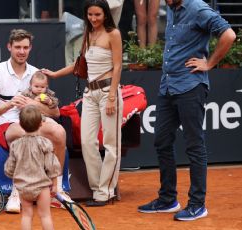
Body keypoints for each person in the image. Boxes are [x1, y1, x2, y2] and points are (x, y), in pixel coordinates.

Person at [137, 0, 236, 221]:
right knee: (162, 141)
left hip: (191, 87)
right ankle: (168, 199)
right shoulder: (173, 8)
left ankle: (197, 205)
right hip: (168, 86)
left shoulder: (198, 8)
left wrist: (209, 64)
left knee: (194, 145)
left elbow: (229, 35)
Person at [43, 0, 123, 207]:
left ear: (105, 14)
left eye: (97, 15)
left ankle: (106, 192)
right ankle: (97, 188)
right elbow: (78, 64)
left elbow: (117, 66)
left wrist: (112, 95)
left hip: (108, 91)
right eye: (90, 15)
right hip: (90, 93)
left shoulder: (113, 33)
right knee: (87, 142)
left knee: (111, 144)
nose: (94, 19)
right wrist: (54, 74)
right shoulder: (87, 34)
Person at [0, 28, 69, 213]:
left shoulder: (36, 74)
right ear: (9, 47)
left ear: (30, 48)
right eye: (17, 47)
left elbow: (56, 113)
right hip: (3, 125)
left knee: (59, 133)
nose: (22, 51)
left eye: (25, 47)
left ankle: (57, 191)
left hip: (33, 122)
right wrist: (10, 104)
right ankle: (16, 192)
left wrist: (33, 104)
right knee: (23, 134)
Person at [4, 105, 61, 230]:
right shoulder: (45, 143)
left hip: (24, 188)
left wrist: (13, 176)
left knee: (26, 215)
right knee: (45, 216)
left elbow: (9, 168)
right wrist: (56, 185)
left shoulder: (15, 145)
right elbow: (52, 166)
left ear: (20, 124)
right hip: (41, 187)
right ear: (41, 124)